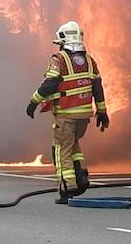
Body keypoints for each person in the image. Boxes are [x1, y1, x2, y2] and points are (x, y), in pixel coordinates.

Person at [26, 20, 109, 204]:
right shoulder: (89, 61)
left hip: (66, 115)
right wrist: (102, 112)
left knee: (60, 150)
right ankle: (82, 178)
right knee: (73, 146)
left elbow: (50, 83)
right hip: (83, 117)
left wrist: (34, 101)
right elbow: (97, 88)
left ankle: (67, 189)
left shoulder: (59, 59)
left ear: (64, 40)